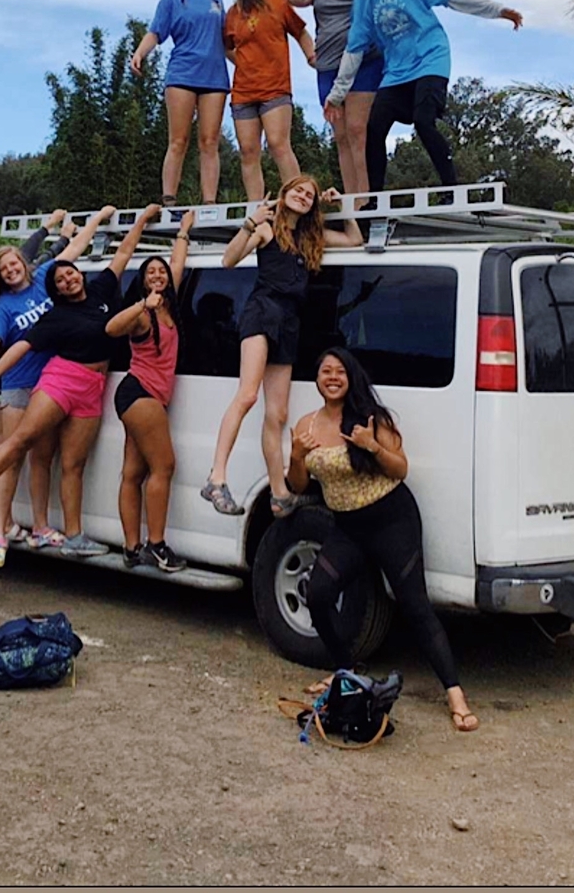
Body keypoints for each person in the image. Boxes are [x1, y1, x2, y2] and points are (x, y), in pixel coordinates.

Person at [0, 204, 162, 568]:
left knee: (68, 463)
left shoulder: (98, 291)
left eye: (71, 274)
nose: (67, 279)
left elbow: (122, 252)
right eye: (60, 280)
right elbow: (11, 347)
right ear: (54, 288)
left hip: (93, 387)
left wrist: (141, 219)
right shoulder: (48, 315)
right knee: (16, 445)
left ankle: (68, 534)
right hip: (56, 381)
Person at [289, 347, 479, 733]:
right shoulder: (306, 425)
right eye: (326, 371)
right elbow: (297, 484)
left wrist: (370, 445)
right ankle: (344, 671)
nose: (332, 377)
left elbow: (401, 468)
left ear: (351, 377)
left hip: (393, 520)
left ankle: (455, 693)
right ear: (317, 379)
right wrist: (295, 454)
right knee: (319, 593)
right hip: (348, 528)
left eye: (340, 371)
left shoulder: (371, 419)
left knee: (415, 605)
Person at [201, 175, 363, 518]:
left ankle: (279, 493)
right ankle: (217, 478)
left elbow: (353, 239)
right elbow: (228, 261)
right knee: (247, 395)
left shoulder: (310, 238)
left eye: (310, 195)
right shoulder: (267, 229)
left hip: (289, 321)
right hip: (262, 311)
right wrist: (250, 223)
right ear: (285, 193)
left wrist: (342, 205)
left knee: (278, 413)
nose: (304, 197)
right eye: (299, 191)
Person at [323, 0, 523, 193]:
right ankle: (374, 199)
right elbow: (354, 49)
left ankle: (451, 189)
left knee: (423, 121)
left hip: (431, 59)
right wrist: (337, 94)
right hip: (396, 72)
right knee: (374, 128)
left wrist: (497, 10)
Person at [0, 210, 72, 536]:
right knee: (4, 449)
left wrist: (54, 232)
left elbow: (30, 258)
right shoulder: (1, 297)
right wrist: (56, 233)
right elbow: (32, 257)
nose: (4, 263)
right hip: (1, 376)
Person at [105, 210, 194, 572]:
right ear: (142, 281)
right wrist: (143, 304)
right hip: (139, 392)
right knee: (164, 466)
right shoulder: (144, 312)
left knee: (133, 472)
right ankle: (156, 545)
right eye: (150, 272)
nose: (158, 275)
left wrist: (184, 229)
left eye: (161, 272)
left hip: (146, 397)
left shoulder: (169, 305)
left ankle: (131, 548)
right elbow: (111, 328)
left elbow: (177, 261)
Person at [287, 0, 384, 195]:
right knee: (341, 137)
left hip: (364, 62)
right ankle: (352, 200)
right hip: (328, 65)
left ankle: (366, 200)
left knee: (357, 131)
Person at [130, 0, 229, 204]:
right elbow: (156, 32)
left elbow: (227, 41)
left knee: (209, 141)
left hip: (215, 77)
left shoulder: (216, 0)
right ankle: (169, 199)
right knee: (178, 140)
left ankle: (209, 202)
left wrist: (250, 65)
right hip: (182, 75)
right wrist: (140, 53)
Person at [226, 0, 316, 201]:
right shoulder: (233, 13)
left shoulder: (278, 2)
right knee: (248, 151)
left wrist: (312, 57)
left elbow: (301, 33)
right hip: (243, 92)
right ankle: (257, 207)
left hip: (275, 88)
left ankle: (298, 200)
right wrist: (242, 64)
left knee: (278, 144)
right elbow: (227, 46)